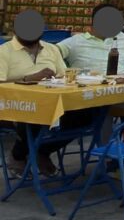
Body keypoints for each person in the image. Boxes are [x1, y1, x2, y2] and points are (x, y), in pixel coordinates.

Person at [0, 28, 75, 176]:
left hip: (50, 100)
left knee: (87, 114)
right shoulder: (4, 51)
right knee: (34, 115)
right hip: (12, 104)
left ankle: (42, 151)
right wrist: (28, 79)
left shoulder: (51, 49)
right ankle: (18, 155)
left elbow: (64, 76)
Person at [58, 4, 124, 74]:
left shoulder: (121, 37)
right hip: (90, 89)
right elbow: (51, 52)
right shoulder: (75, 41)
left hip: (122, 86)